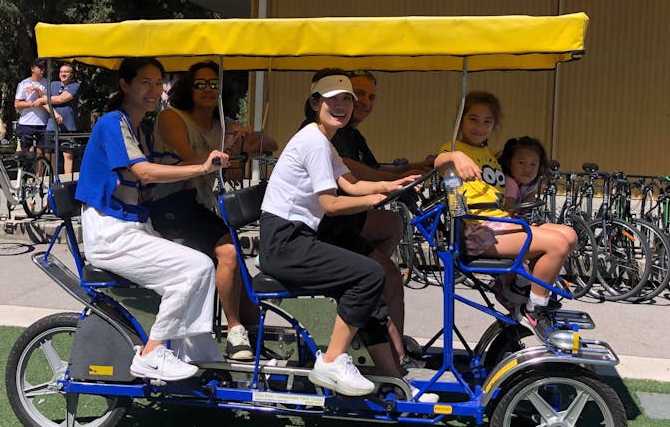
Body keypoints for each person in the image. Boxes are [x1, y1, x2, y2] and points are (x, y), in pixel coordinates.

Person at [259, 72, 438, 402]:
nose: (340, 106)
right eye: (332, 100)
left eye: (346, 100)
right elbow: (330, 203)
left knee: (372, 293)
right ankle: (330, 361)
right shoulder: (313, 142)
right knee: (370, 275)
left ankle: (397, 384)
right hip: (284, 243)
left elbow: (351, 184)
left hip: (296, 239)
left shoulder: (323, 140)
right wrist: (374, 200)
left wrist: (391, 186)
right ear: (315, 103)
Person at [75, 57, 230, 382]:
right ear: (125, 85)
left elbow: (170, 164)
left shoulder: (141, 131)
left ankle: (196, 347)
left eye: (158, 83)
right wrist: (201, 168)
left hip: (135, 228)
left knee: (201, 264)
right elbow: (144, 174)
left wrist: (215, 155)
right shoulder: (112, 123)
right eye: (145, 81)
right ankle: (152, 353)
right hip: (111, 233)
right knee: (196, 267)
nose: (153, 89)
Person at [317, 69, 475, 370]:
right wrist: (392, 183)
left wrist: (417, 168)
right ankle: (396, 355)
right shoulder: (323, 134)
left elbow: (371, 169)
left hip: (346, 222)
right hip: (328, 228)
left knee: (392, 225)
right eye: (358, 95)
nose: (364, 102)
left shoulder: (350, 132)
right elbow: (354, 174)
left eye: (370, 97)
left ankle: (389, 335)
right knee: (387, 274)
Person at [151, 61, 276, 361]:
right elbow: (191, 157)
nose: (208, 90)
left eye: (213, 84)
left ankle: (253, 333)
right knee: (230, 253)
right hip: (172, 206)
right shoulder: (172, 118)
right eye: (200, 84)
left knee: (241, 272)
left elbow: (268, 143)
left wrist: (244, 140)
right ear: (187, 88)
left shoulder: (223, 123)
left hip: (200, 207)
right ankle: (234, 331)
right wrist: (226, 151)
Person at [434, 91, 576, 341]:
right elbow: (440, 162)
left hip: (498, 221)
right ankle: (535, 306)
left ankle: (521, 287)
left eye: (487, 121)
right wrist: (454, 156)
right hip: (476, 231)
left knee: (569, 234)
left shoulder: (488, 154)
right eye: (473, 119)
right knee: (558, 244)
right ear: (461, 119)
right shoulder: (454, 150)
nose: (480, 127)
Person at [36, 62, 80, 175]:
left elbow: (61, 99)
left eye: (66, 72)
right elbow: (44, 102)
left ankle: (67, 179)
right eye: (61, 71)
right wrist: (54, 113)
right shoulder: (52, 85)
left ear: (72, 74)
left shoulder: (75, 86)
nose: (63, 74)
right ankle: (53, 179)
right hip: (52, 126)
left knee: (68, 154)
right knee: (50, 155)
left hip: (68, 126)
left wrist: (44, 99)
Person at [14, 59, 49, 153]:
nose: (43, 70)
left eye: (44, 68)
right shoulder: (23, 84)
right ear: (32, 69)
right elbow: (17, 104)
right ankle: (25, 167)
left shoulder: (47, 83)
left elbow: (48, 100)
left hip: (43, 123)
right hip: (26, 123)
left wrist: (38, 91)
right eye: (40, 67)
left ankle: (39, 168)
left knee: (40, 152)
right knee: (25, 150)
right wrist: (32, 104)